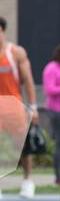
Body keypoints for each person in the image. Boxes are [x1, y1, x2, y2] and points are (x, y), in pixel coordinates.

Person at [0, 16, 39, 200]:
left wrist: (33, 107)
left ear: (3, 32)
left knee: (22, 147)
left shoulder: (16, 53)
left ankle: (28, 181)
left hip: (14, 107)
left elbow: (28, 81)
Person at [43, 44, 60, 185]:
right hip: (56, 111)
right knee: (59, 143)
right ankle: (58, 176)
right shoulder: (52, 68)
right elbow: (49, 89)